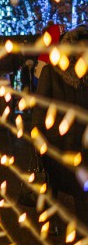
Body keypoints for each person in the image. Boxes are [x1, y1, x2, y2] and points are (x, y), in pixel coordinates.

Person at [32, 25, 88, 227]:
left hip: (84, 145)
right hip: (57, 145)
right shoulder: (51, 72)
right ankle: (54, 222)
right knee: (61, 186)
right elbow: (39, 109)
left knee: (82, 190)